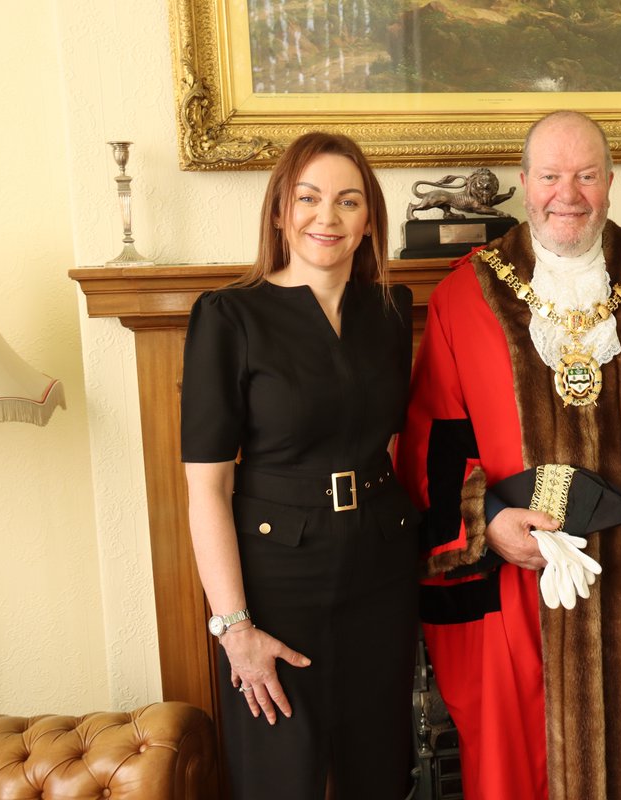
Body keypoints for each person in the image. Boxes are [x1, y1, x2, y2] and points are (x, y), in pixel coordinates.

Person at [395, 111, 621, 800]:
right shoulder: (464, 296)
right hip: (519, 585)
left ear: (612, 183)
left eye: (587, 175)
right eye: (553, 176)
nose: (570, 193)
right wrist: (489, 522)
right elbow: (432, 444)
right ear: (524, 184)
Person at [181, 132, 419, 799]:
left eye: (349, 201)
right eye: (309, 198)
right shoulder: (229, 315)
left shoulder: (389, 311)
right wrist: (234, 629)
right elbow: (207, 487)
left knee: (379, 772)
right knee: (280, 778)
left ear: (369, 218)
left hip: (380, 570)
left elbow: (393, 443)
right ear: (280, 212)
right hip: (277, 581)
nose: (328, 217)